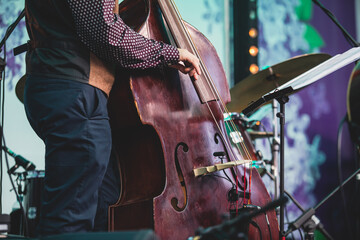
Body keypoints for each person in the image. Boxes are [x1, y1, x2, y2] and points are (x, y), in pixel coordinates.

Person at [23, 0, 201, 236]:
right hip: (76, 90)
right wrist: (170, 53)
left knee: (102, 206)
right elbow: (105, 32)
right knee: (69, 220)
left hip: (59, 86)